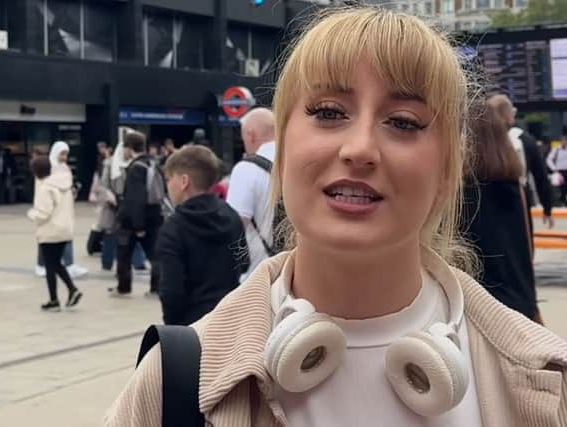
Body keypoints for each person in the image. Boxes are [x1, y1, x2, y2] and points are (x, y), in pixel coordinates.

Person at [105, 8, 567, 426]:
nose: (360, 148)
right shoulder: (177, 381)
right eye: (328, 112)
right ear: (282, 151)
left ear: (448, 172)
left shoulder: (547, 380)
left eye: (404, 121)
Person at [460, 101, 538, 320]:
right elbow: (527, 248)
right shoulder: (515, 186)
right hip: (521, 301)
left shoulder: (460, 194)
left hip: (484, 310)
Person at [156, 145, 247, 325]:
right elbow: (244, 263)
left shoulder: (173, 228)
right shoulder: (231, 216)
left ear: (184, 181)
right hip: (229, 319)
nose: (167, 186)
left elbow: (171, 290)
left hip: (191, 324)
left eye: (169, 179)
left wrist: (173, 327)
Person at [488, 94, 555, 229]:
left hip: (486, 205)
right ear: (510, 115)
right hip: (518, 201)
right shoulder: (525, 140)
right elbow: (541, 176)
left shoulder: (480, 140)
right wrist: (547, 208)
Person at [27, 156, 82, 312]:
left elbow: (43, 213)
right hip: (65, 228)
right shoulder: (64, 184)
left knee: (50, 265)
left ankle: (54, 300)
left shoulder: (45, 187)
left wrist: (31, 214)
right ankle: (72, 289)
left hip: (50, 230)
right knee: (56, 262)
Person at [227, 107, 276, 278]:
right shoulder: (300, 163)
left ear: (251, 134)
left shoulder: (246, 169)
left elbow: (235, 224)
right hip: (299, 272)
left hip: (258, 272)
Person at [113, 131, 164, 296]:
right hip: (154, 216)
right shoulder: (153, 163)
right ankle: (156, 287)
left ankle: (123, 287)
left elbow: (136, 198)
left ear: (129, 148)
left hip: (133, 221)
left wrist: (138, 225)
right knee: (154, 254)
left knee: (124, 254)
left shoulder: (136, 168)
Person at [35, 141, 88, 278]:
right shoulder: (47, 167)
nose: (64, 157)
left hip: (65, 208)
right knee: (46, 237)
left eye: (66, 154)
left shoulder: (65, 168)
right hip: (51, 208)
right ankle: (41, 265)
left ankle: (69, 264)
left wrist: (72, 191)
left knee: (66, 235)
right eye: (62, 153)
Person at [99, 141, 147, 272]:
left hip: (128, 204)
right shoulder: (109, 164)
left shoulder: (134, 165)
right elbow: (103, 184)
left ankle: (138, 263)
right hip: (112, 204)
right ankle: (107, 263)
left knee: (130, 234)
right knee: (110, 234)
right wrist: (109, 195)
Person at [546, 135, 567, 206]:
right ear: (560, 141)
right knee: (560, 188)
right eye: (562, 140)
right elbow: (549, 159)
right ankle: (560, 202)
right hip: (559, 171)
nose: (564, 142)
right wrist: (554, 169)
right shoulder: (556, 149)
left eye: (565, 140)